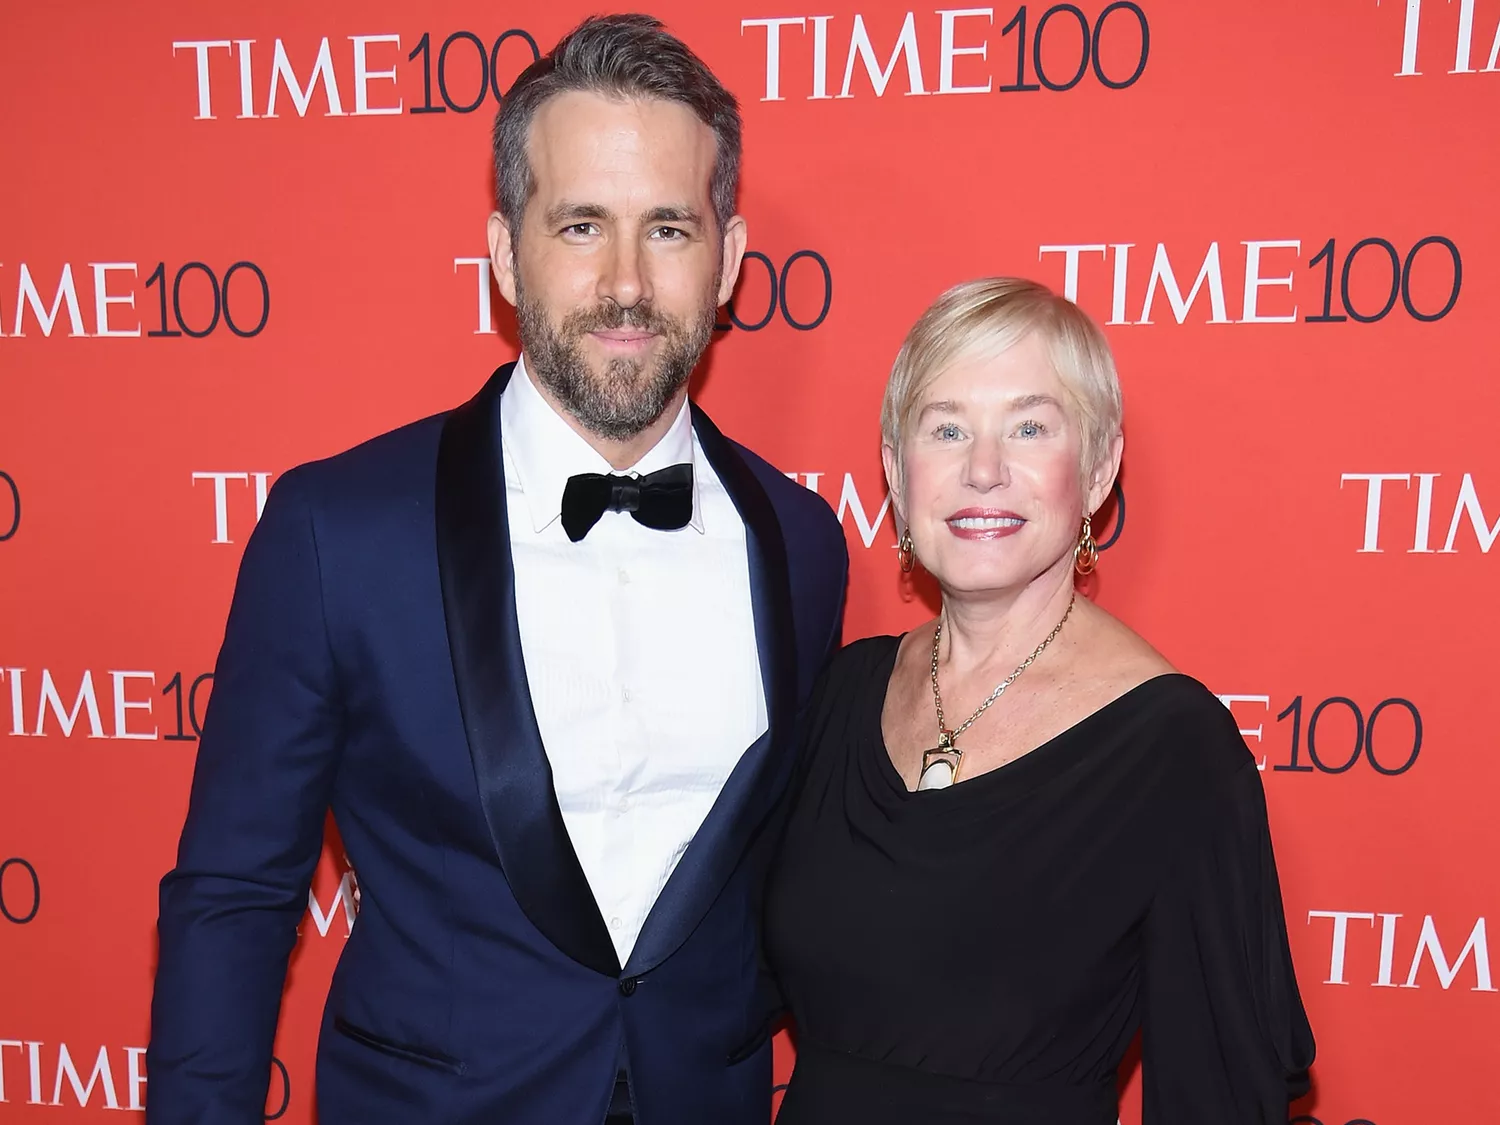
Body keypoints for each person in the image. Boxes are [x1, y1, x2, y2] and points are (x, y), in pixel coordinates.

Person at [146, 15, 847, 1125]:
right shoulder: (338, 530)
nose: (625, 283)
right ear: (505, 254)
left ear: (731, 257)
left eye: (668, 227)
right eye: (580, 225)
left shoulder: (801, 542)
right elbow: (233, 896)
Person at [764, 278, 1315, 1124]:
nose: (983, 468)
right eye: (946, 428)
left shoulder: (1175, 751)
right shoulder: (844, 692)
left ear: (1097, 469)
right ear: (893, 470)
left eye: (1029, 427)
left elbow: (1219, 1094)